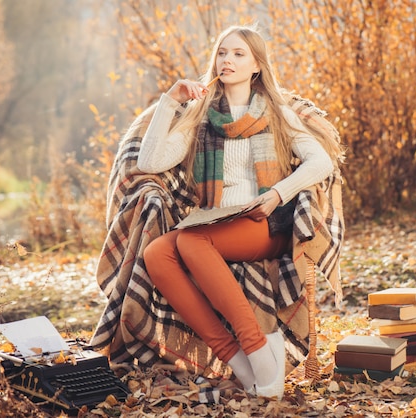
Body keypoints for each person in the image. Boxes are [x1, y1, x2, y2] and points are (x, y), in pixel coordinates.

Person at [137, 25, 339, 399]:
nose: (227, 60)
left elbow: (321, 161)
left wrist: (279, 193)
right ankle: (239, 363)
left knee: (192, 242)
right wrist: (170, 100)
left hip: (265, 222)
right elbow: (149, 161)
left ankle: (260, 354)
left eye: (238, 54)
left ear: (257, 66)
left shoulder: (276, 112)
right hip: (217, 222)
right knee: (157, 253)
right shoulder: (200, 115)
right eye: (222, 52)